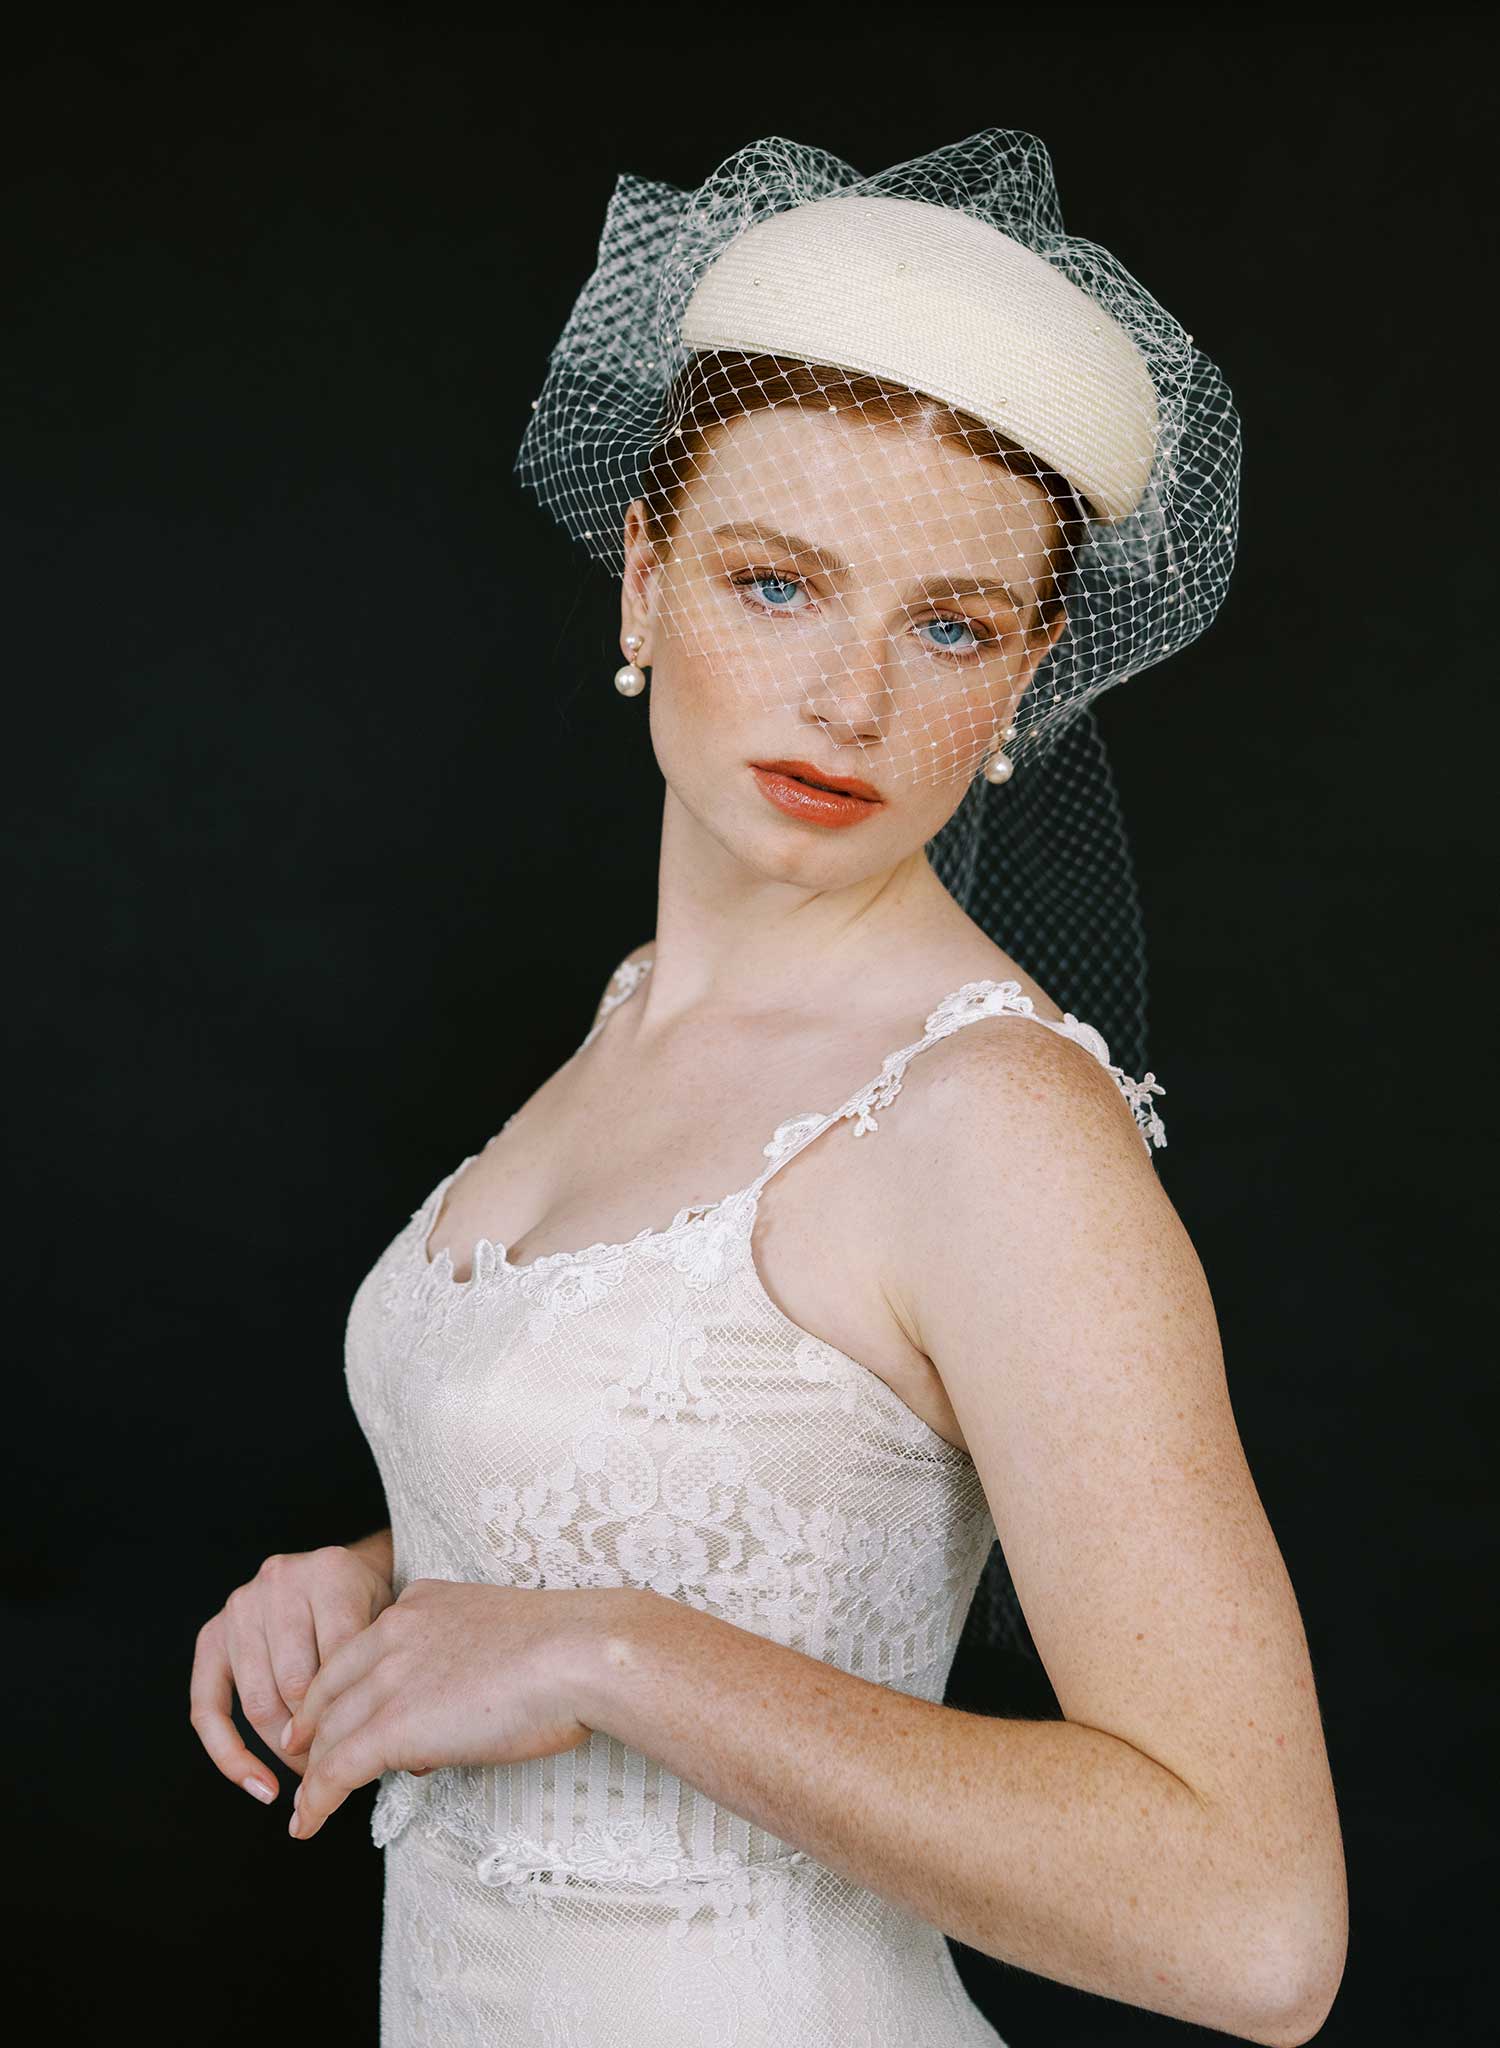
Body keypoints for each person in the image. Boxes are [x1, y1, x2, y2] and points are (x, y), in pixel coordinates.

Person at [190, 132, 1347, 2046]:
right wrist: (384, 1583)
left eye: (952, 625)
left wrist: (599, 1649)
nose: (852, 702)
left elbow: (1255, 1927)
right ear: (644, 577)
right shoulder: (633, 1022)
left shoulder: (991, 1125)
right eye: (777, 583)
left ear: (1032, 679)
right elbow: (747, 1483)